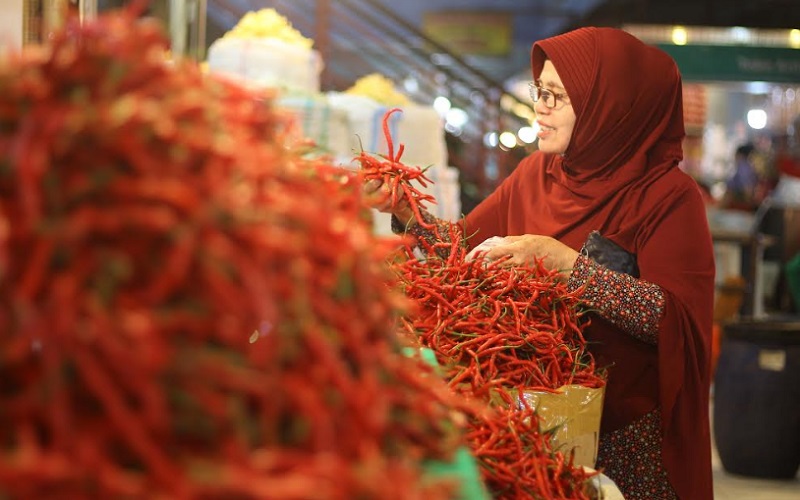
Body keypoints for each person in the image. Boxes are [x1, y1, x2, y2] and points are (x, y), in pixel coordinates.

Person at [366, 27, 715, 499]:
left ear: (607, 107)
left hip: (626, 429)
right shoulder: (537, 173)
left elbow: (673, 318)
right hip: (533, 410)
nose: (540, 106)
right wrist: (408, 212)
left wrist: (566, 264)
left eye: (558, 96)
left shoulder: (668, 197)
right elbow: (464, 250)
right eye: (539, 91)